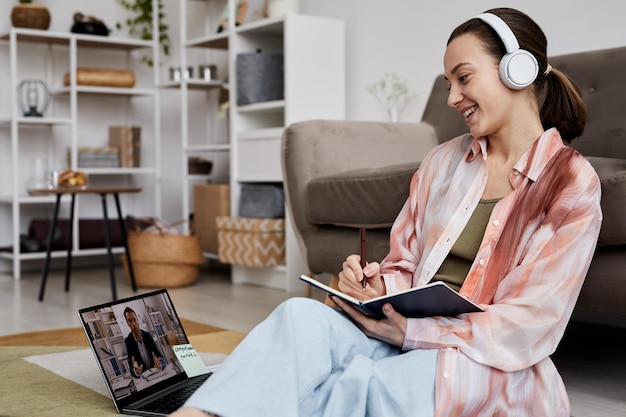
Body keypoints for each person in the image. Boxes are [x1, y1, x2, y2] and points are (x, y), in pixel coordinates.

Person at [170, 7, 602, 416]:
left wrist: (417, 334)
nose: (453, 97)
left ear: (518, 70)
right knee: (297, 318)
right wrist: (377, 286)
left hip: (482, 361)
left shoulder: (569, 183)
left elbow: (531, 324)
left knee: (363, 384)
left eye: (463, 78)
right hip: (404, 334)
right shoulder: (441, 163)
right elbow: (406, 264)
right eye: (448, 82)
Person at [124, 306, 166, 378]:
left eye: (134, 319)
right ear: (128, 324)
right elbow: (131, 367)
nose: (133, 323)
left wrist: (160, 364)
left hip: (156, 373)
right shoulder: (128, 341)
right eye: (130, 321)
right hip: (144, 377)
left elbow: (161, 357)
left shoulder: (147, 335)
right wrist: (136, 372)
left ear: (138, 320)